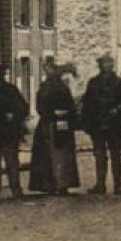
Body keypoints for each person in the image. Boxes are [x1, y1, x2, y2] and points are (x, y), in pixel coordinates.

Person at [80, 54, 121, 195]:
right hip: (98, 123)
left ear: (112, 65)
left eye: (109, 64)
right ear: (100, 66)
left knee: (116, 155)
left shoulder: (119, 83)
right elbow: (87, 103)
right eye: (103, 64)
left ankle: (118, 185)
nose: (106, 66)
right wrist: (87, 122)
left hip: (114, 124)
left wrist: (117, 109)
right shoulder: (93, 83)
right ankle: (100, 184)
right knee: (99, 155)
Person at [0, 64, 30, 201]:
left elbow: (23, 108)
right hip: (1, 133)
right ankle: (1, 193)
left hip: (6, 133)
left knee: (9, 163)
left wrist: (14, 115)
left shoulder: (8, 91)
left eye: (1, 75)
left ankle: (10, 192)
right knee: (1, 164)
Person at [30, 63, 80, 195]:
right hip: (50, 123)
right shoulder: (46, 87)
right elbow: (40, 106)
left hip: (58, 123)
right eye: (47, 70)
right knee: (51, 154)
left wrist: (66, 115)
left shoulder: (61, 87)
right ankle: (52, 184)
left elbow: (70, 105)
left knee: (61, 154)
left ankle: (61, 183)